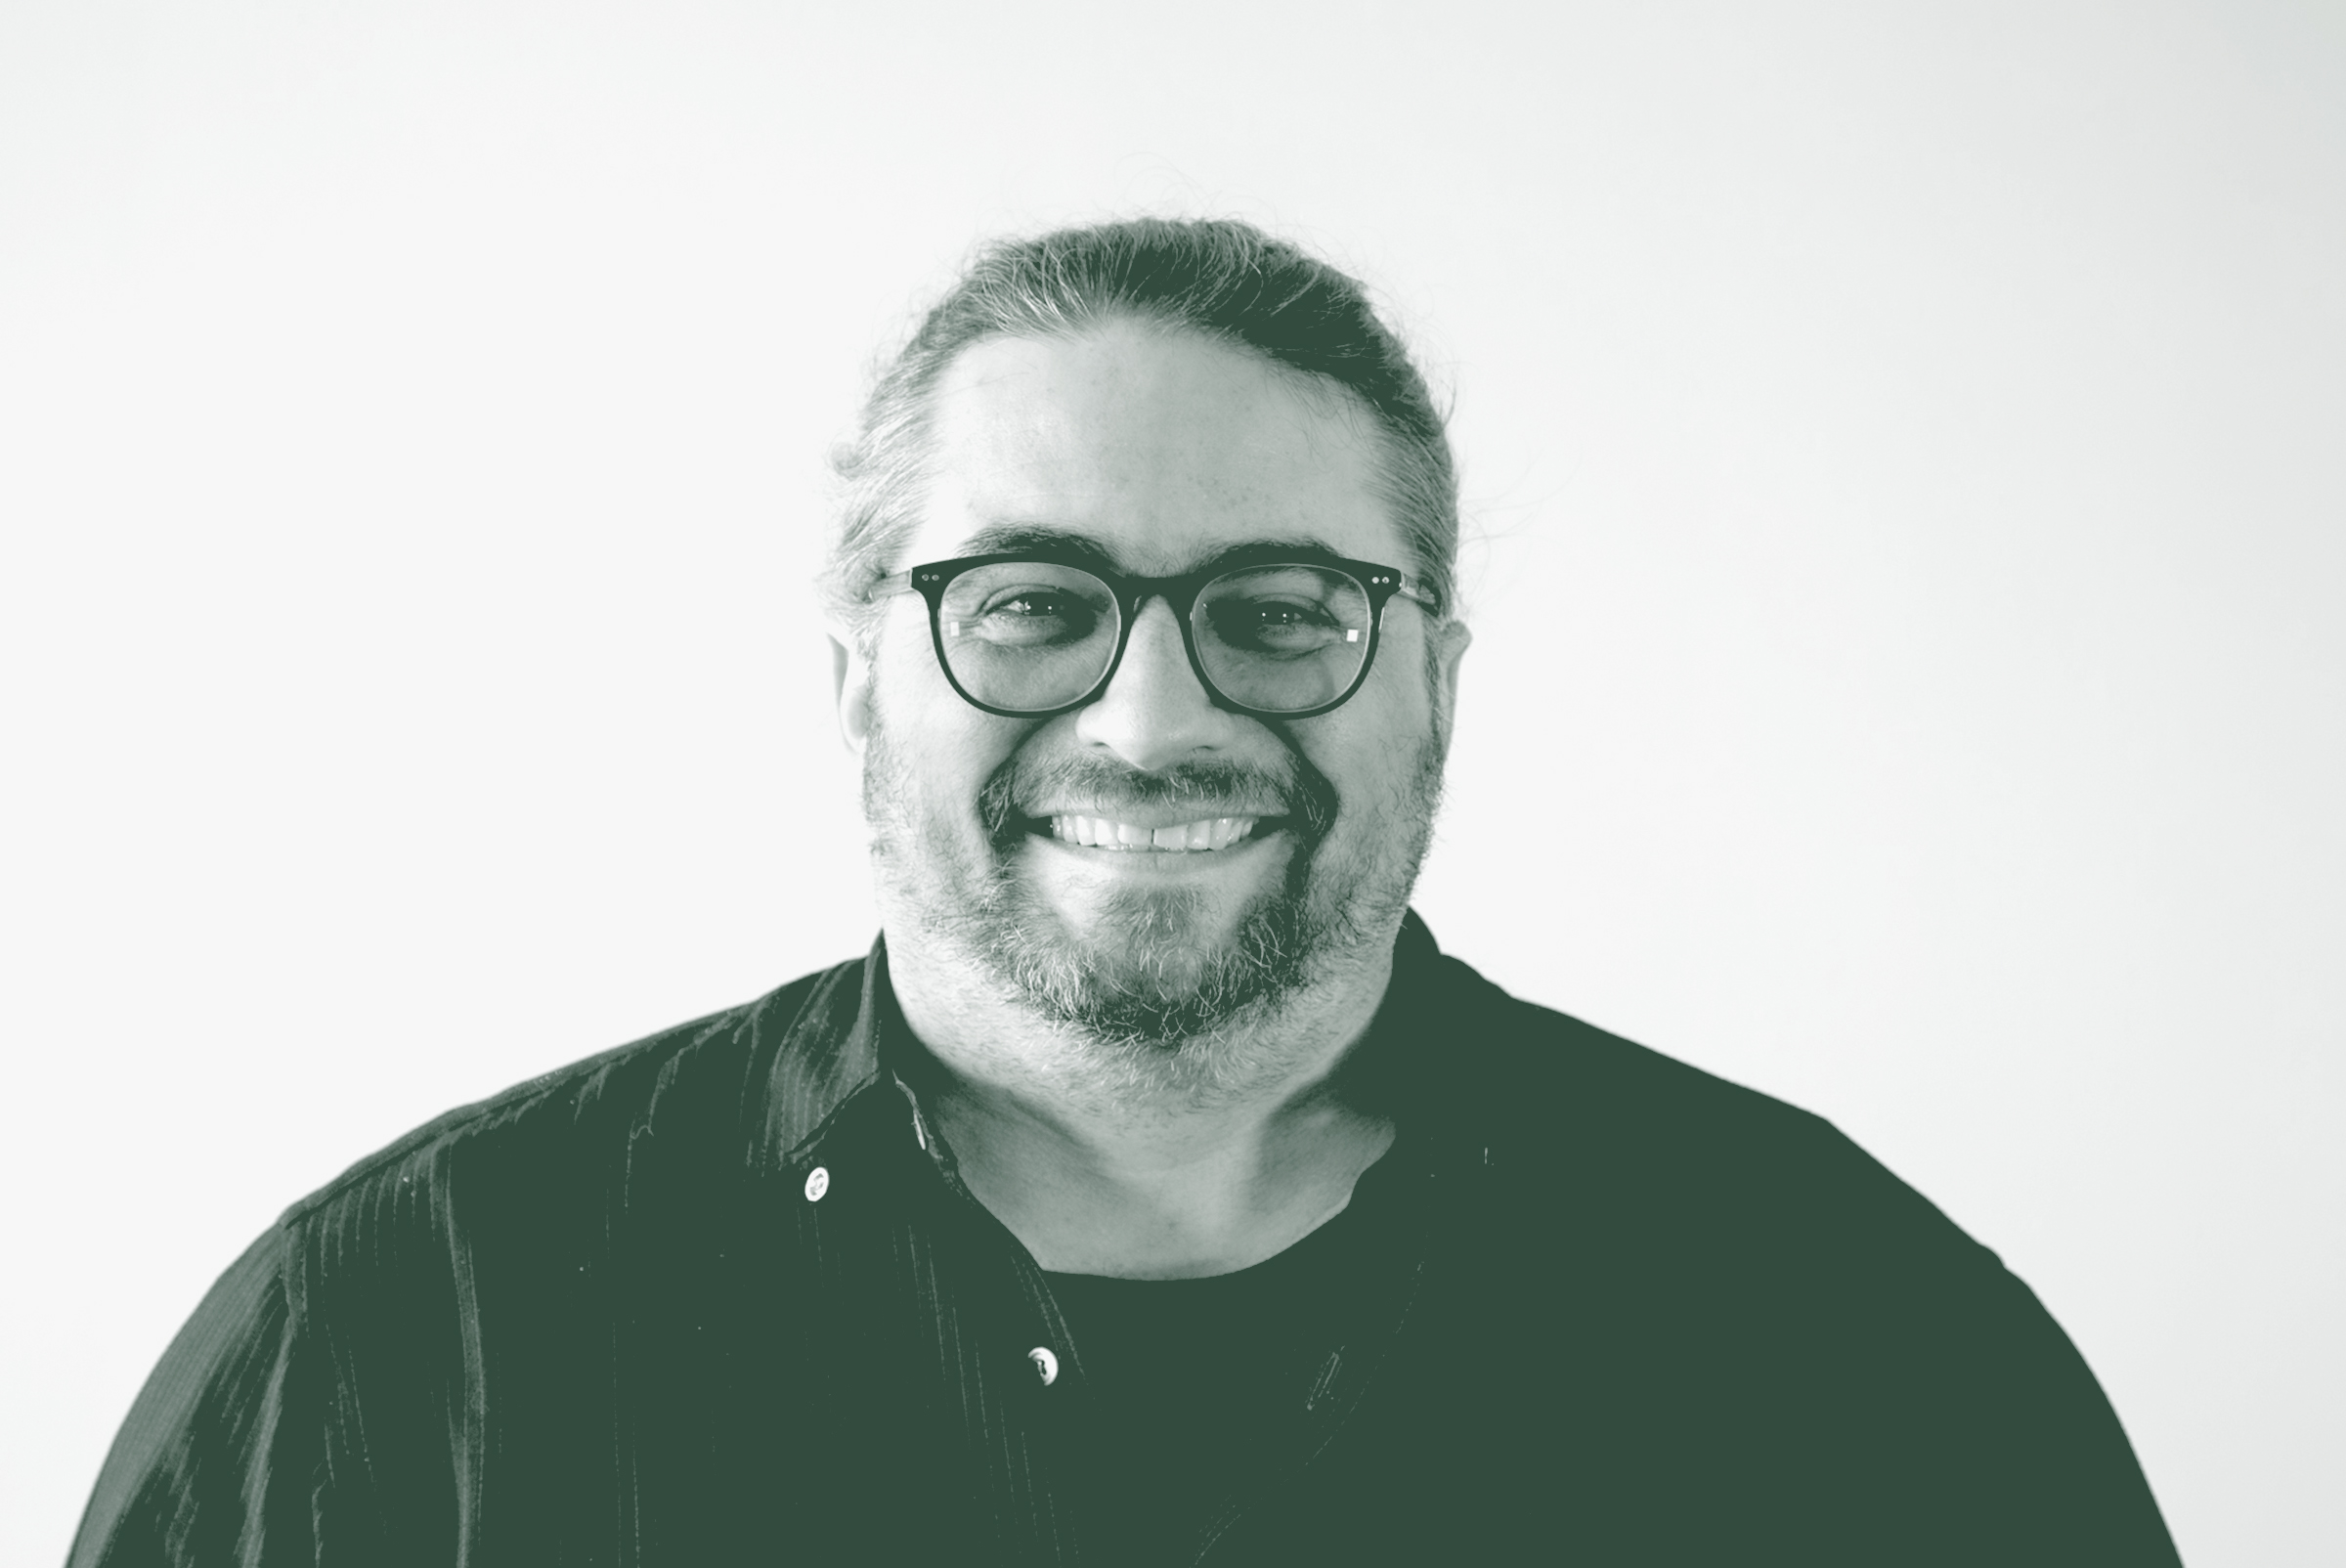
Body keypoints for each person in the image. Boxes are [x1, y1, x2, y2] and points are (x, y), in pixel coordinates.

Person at [69, 218, 2182, 1566]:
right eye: (1030, 604)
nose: (1154, 714)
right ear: (859, 675)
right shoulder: (399, 1331)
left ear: (1433, 674)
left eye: (1281, 610)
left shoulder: (1855, 1337)